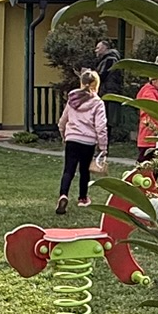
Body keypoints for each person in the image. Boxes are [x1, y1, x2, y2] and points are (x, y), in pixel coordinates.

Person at [57, 68, 109, 214]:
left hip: (72, 138)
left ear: (81, 82)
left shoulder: (72, 99)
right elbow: (101, 126)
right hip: (88, 141)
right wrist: (103, 146)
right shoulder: (98, 103)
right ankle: (83, 198)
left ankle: (63, 195)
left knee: (68, 169)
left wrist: (63, 135)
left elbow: (63, 121)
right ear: (96, 85)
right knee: (84, 170)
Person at [135, 73, 158, 163]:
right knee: (145, 166)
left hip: (155, 137)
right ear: (154, 80)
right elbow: (155, 112)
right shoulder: (149, 93)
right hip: (149, 137)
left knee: (154, 166)